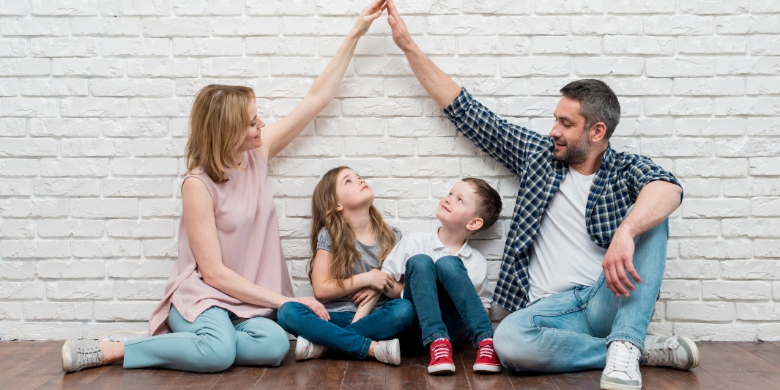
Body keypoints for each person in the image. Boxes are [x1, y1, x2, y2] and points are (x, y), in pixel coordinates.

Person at [383, 1, 699, 389]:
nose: (553, 130)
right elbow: (471, 114)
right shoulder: (539, 157)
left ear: (596, 133)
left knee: (654, 218)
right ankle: (632, 348)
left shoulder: (624, 170)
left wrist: (626, 231)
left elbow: (668, 188)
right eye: (555, 119)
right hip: (549, 311)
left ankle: (625, 340)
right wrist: (408, 46)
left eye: (566, 123)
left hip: (604, 298)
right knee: (509, 342)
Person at [60, 0, 388, 374]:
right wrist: (285, 300)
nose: (261, 124)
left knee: (275, 345)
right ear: (228, 131)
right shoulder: (197, 185)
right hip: (206, 298)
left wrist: (356, 33)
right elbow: (213, 274)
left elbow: (316, 99)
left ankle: (206, 344)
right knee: (218, 355)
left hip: (250, 303)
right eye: (251, 121)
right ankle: (117, 349)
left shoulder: (257, 155)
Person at [276, 167, 414, 365]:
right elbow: (321, 290)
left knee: (404, 309)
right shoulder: (330, 235)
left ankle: (326, 345)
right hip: (335, 318)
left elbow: (402, 291)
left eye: (358, 177)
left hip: (376, 317)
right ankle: (372, 348)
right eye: (348, 181)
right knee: (287, 311)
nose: (359, 180)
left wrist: (382, 282)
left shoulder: (392, 236)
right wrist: (367, 278)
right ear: (336, 204)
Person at [380, 178, 503, 375]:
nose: (449, 199)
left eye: (460, 200)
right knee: (420, 261)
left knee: (448, 263)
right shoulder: (414, 242)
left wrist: (462, 301)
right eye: (450, 194)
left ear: (473, 223)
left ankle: (486, 342)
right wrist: (414, 291)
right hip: (416, 330)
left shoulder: (476, 261)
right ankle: (437, 341)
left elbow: (484, 307)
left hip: (455, 332)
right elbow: (385, 279)